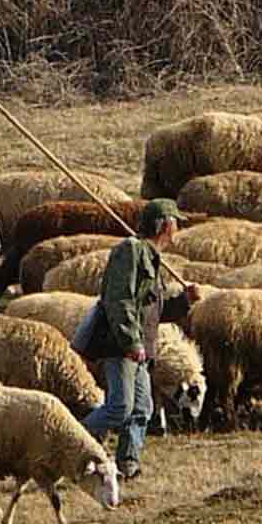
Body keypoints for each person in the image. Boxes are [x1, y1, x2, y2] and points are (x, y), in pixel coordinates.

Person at [79, 198, 190, 481]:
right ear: (165, 225)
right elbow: (120, 300)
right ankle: (70, 442)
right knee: (120, 407)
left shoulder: (151, 258)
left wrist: (185, 302)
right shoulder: (131, 251)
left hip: (139, 347)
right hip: (122, 345)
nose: (178, 228)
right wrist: (131, 343)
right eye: (176, 222)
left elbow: (153, 312)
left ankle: (127, 463)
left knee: (142, 408)